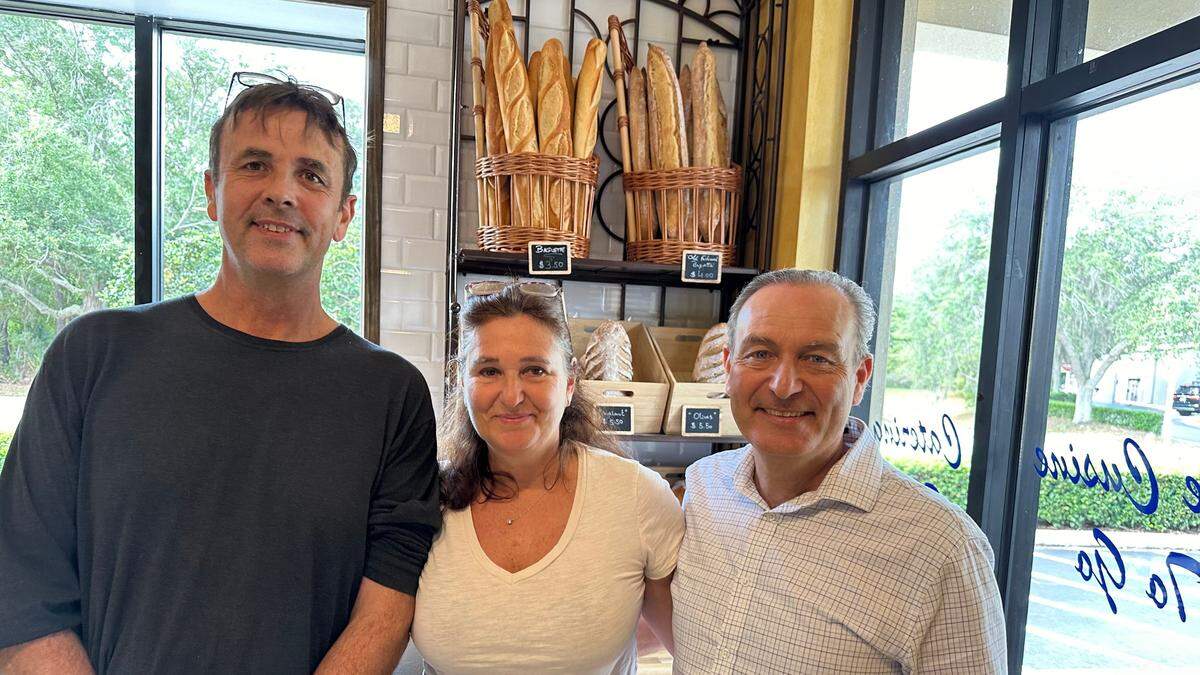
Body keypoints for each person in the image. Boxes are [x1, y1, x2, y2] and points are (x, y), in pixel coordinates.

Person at [0, 75, 440, 673]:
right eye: (255, 164)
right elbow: (23, 589)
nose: (281, 193)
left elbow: (385, 606)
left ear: (343, 215)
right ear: (212, 192)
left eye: (311, 175)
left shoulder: (391, 395)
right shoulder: (94, 355)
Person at [672, 269, 1006, 673]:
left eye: (817, 359)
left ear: (861, 378)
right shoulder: (705, 486)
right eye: (760, 354)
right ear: (728, 367)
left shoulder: (941, 548)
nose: (783, 385)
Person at [411, 281, 683, 673]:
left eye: (535, 370)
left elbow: (695, 645)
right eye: (489, 370)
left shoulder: (636, 497)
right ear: (462, 382)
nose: (512, 395)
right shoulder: (424, 500)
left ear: (570, 384)